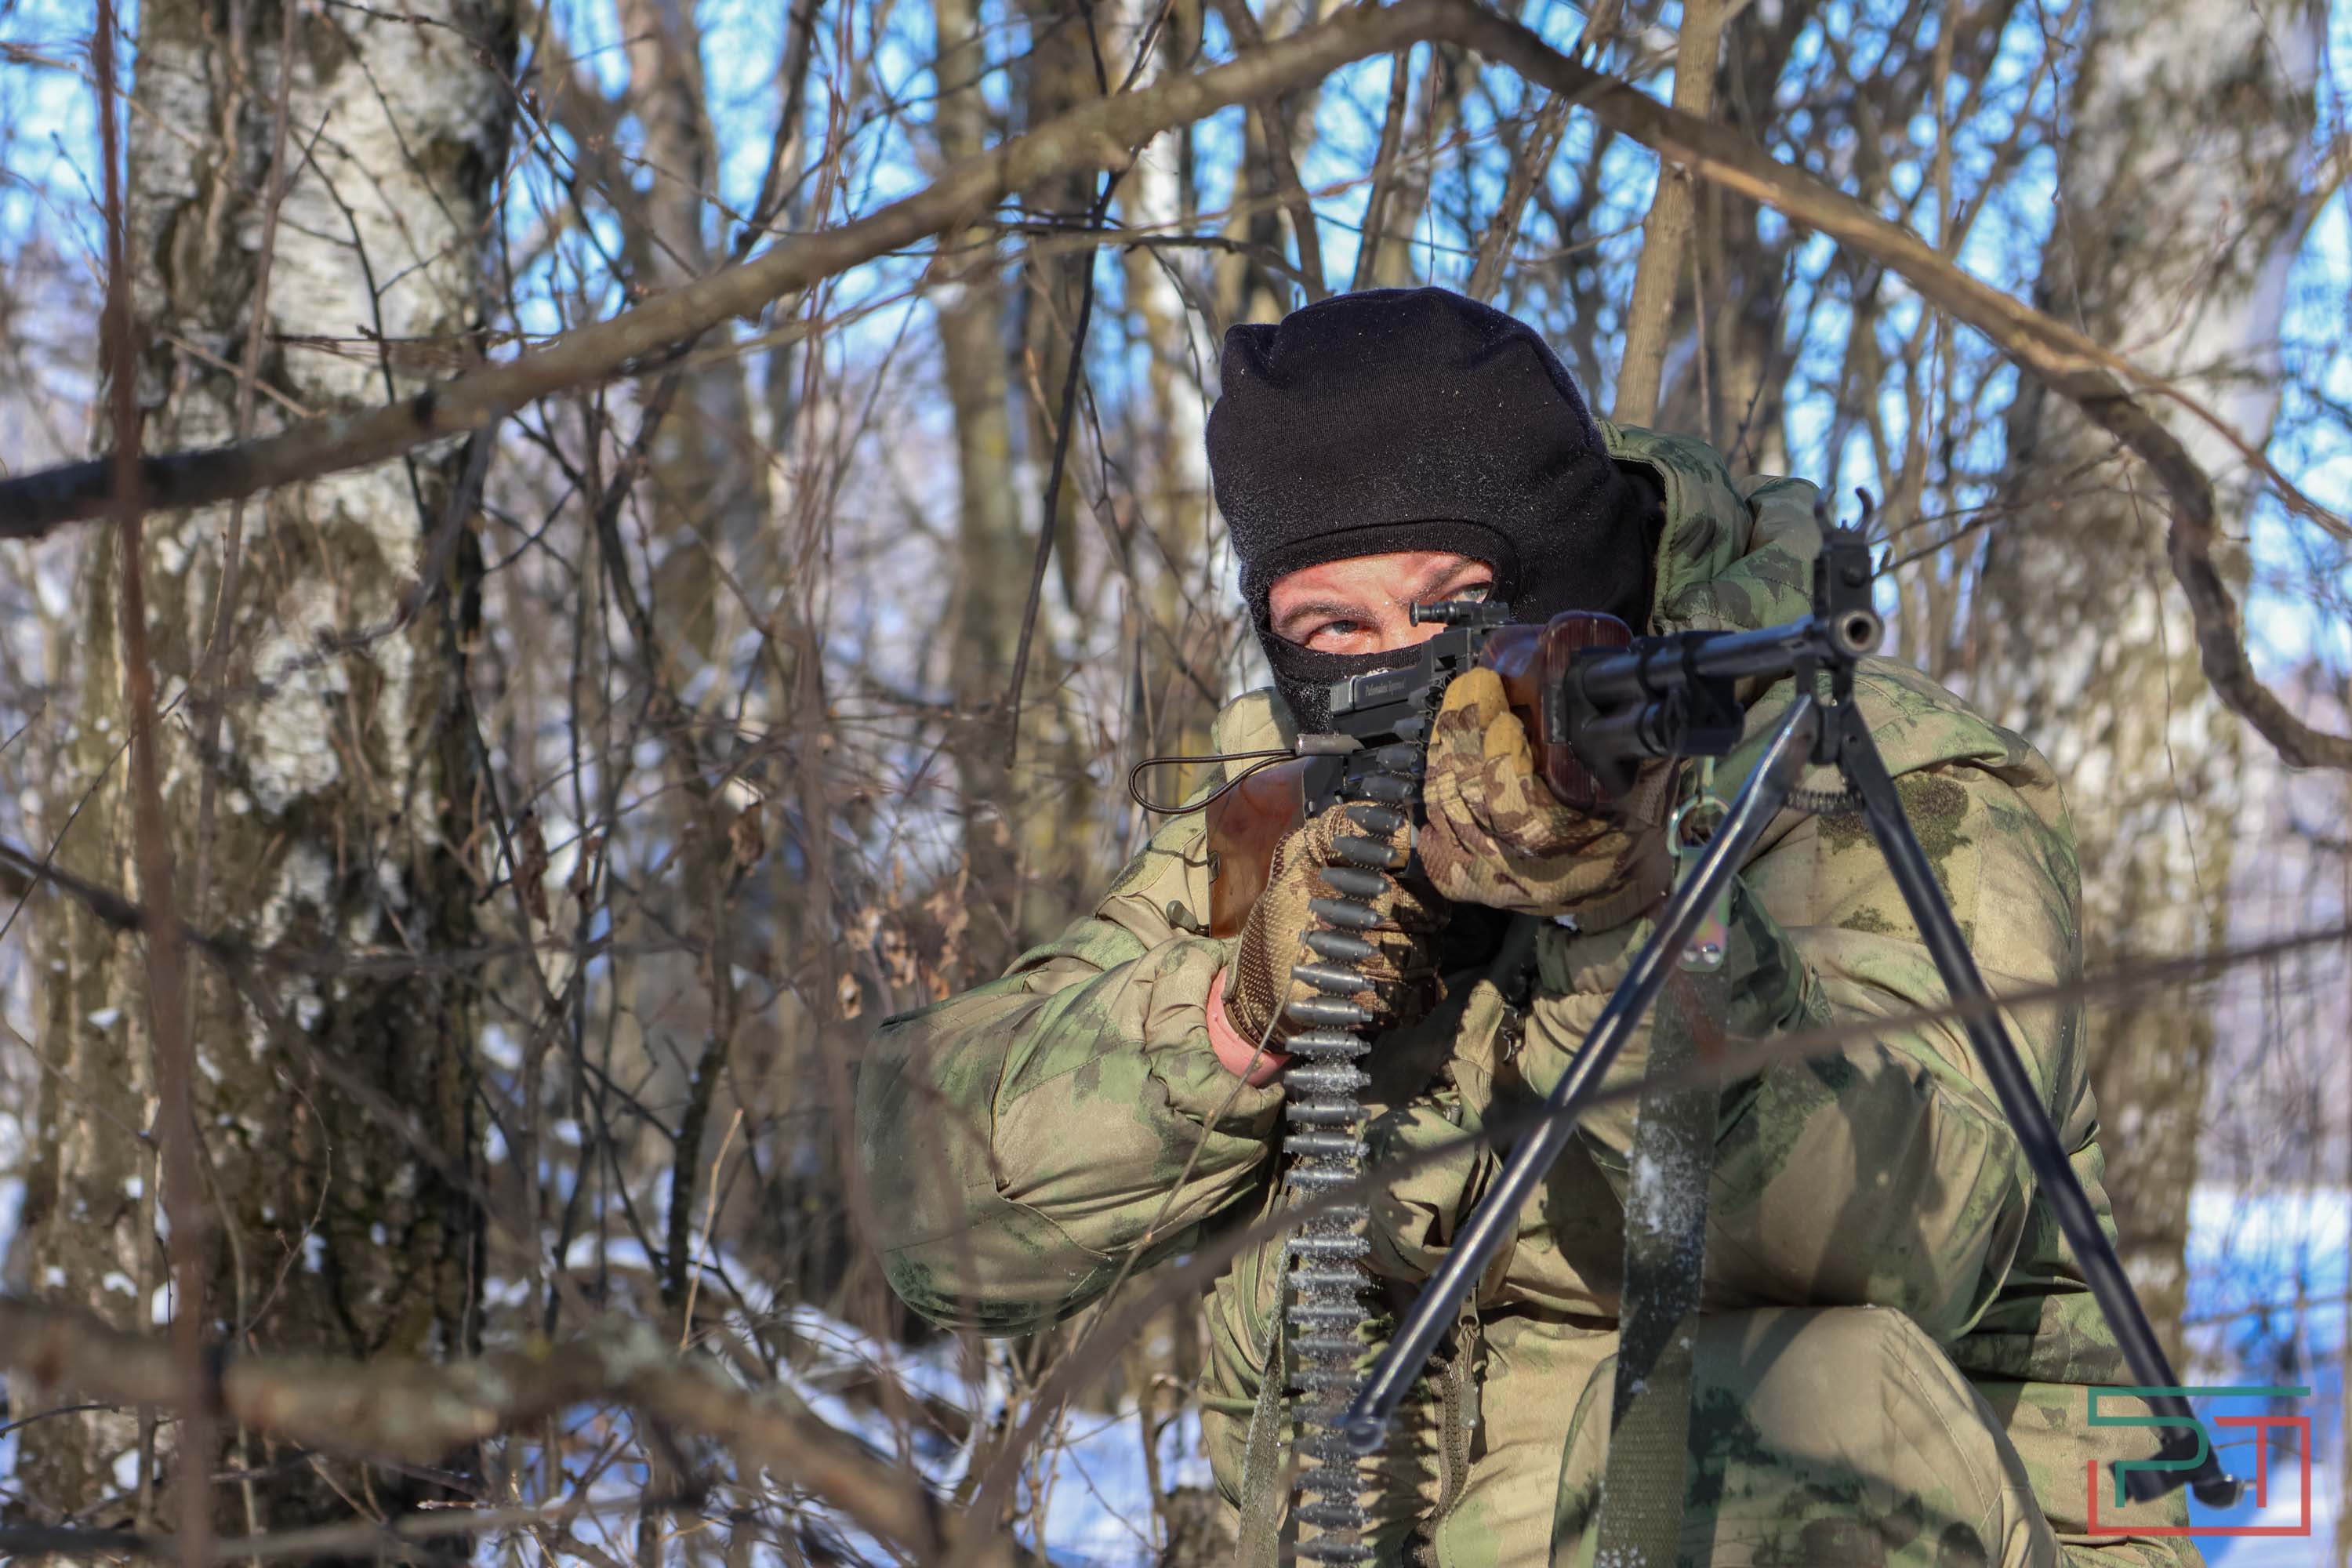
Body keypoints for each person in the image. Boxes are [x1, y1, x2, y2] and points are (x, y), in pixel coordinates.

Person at [855, 288, 2196, 1566]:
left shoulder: (1884, 780)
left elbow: (1912, 1242)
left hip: (1851, 1521)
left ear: (1570, 574)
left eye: (1451, 606)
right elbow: (931, 1204)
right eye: (1332, 625)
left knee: (1810, 1397)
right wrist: (1241, 1013)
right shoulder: (1297, 806)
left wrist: (1633, 919)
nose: (1398, 662)